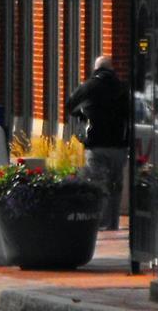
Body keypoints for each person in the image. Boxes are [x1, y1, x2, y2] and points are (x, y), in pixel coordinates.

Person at [66, 54, 129, 229]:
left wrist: (82, 115)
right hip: (119, 144)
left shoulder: (89, 86)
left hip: (96, 143)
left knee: (98, 184)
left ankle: (101, 223)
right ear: (111, 69)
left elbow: (70, 104)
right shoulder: (123, 87)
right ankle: (113, 222)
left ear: (96, 69)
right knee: (116, 184)